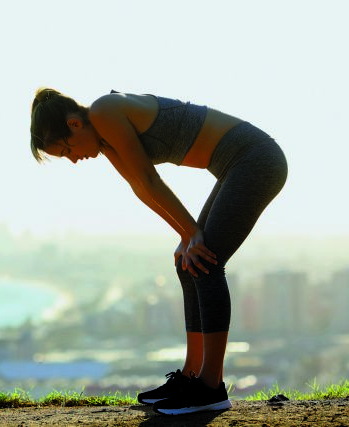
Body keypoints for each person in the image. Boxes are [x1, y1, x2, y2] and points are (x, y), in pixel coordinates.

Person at [29, 88, 287, 415]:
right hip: (236, 165)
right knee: (188, 263)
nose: (73, 159)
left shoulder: (104, 111)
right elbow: (140, 188)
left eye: (66, 149)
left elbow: (151, 179)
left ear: (75, 125)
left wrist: (192, 232)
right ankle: (192, 376)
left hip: (255, 158)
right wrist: (185, 235)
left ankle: (211, 388)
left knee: (206, 262)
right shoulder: (105, 140)